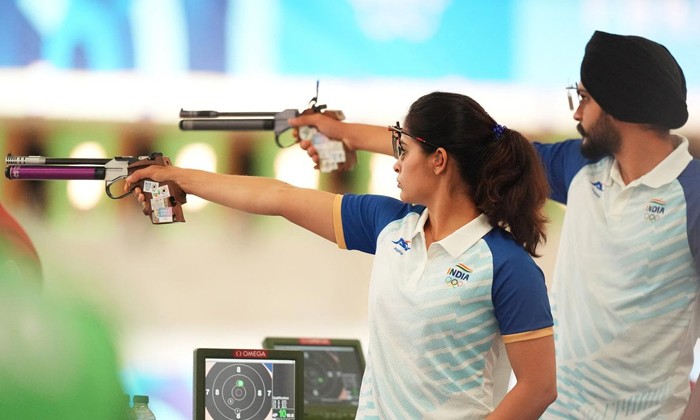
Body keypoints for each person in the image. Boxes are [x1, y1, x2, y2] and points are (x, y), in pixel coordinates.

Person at [291, 31, 700, 420]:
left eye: (586, 97)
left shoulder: (694, 197)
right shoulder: (580, 166)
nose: (576, 111)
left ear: (619, 103)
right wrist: (343, 133)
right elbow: (457, 148)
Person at [127, 92, 557, 419]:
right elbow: (278, 196)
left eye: (402, 151)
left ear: (439, 160)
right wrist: (179, 177)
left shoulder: (507, 266)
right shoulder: (389, 224)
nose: (395, 163)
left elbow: (538, 388)